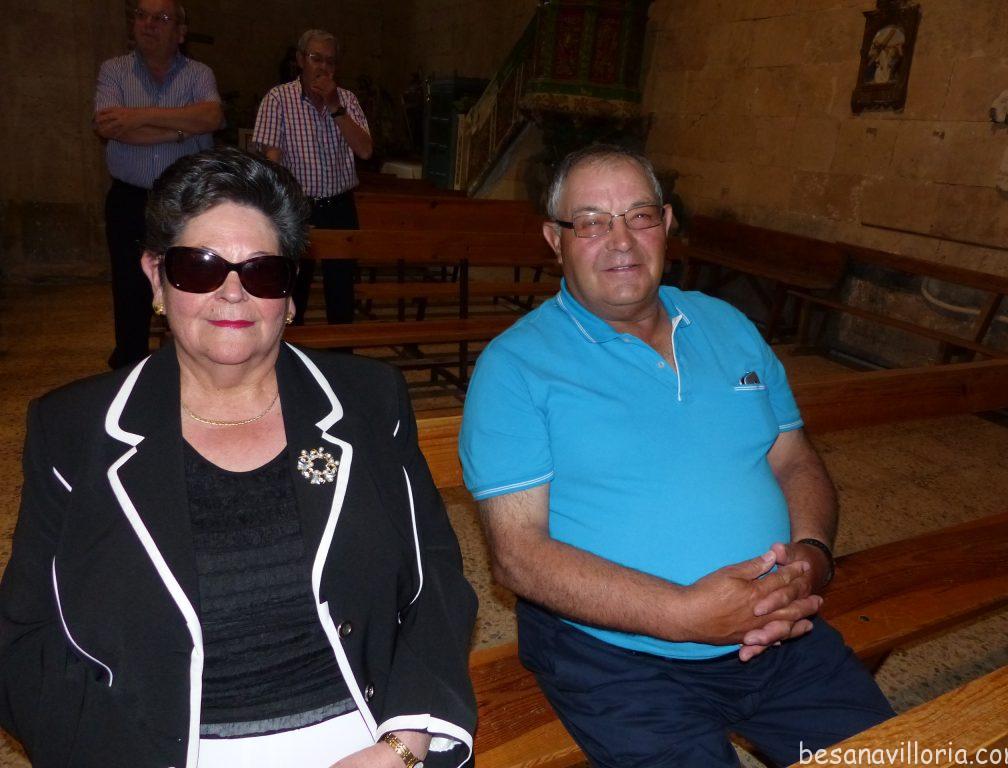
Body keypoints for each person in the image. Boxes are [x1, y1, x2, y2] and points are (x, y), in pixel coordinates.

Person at [0, 148, 476, 768]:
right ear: (156, 279)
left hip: (368, 737)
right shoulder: (73, 429)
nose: (232, 292)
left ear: (291, 292)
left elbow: (436, 578)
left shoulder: (367, 400)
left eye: (263, 272)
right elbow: (25, 640)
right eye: (198, 267)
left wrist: (403, 743)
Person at [458, 145, 893, 768]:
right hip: (617, 658)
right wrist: (685, 614)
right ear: (555, 241)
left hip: (777, 631)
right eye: (591, 222)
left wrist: (812, 555)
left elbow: (794, 459)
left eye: (639, 216)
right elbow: (518, 556)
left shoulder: (728, 325)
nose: (621, 241)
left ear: (665, 225)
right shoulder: (516, 367)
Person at [94, 0, 223, 369]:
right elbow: (108, 126)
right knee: (129, 286)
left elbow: (211, 116)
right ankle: (131, 366)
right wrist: (181, 129)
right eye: (142, 15)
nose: (149, 24)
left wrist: (138, 117)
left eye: (161, 18)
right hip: (129, 198)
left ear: (181, 33)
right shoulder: (114, 71)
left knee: (187, 282)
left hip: (184, 200)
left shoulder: (199, 74)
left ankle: (186, 365)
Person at [253, 29, 373, 325]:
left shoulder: (347, 100)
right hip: (299, 206)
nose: (323, 67)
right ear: (300, 60)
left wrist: (335, 107)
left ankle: (341, 351)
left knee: (341, 295)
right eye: (315, 58)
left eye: (330, 62)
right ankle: (290, 349)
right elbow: (272, 162)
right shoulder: (278, 99)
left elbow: (365, 150)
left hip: (340, 206)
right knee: (293, 293)